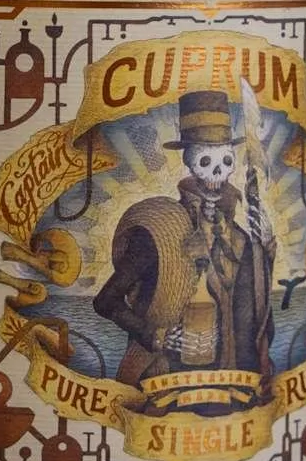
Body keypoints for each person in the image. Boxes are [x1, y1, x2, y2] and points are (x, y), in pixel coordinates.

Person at [93, 89, 275, 389]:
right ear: (190, 164)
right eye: (206, 161)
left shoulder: (241, 239)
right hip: (166, 382)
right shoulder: (160, 230)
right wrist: (155, 335)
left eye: (225, 161)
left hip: (232, 383)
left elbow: (257, 312)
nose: (217, 173)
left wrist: (265, 250)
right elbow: (106, 301)